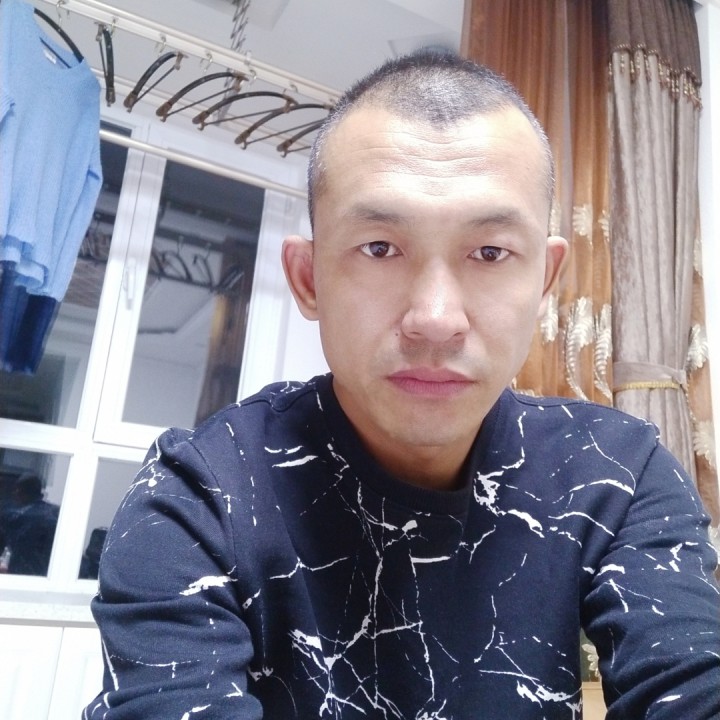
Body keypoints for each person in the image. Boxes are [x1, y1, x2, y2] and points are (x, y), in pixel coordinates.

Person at [84, 52, 720, 719]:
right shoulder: (197, 500)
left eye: (491, 252)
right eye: (380, 248)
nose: (436, 320)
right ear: (308, 279)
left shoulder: (619, 472)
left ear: (544, 281)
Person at [0, 472, 59, 575]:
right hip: (49, 574)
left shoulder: (17, 517)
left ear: (20, 491)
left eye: (17, 490)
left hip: (22, 572)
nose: (14, 494)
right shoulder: (57, 513)